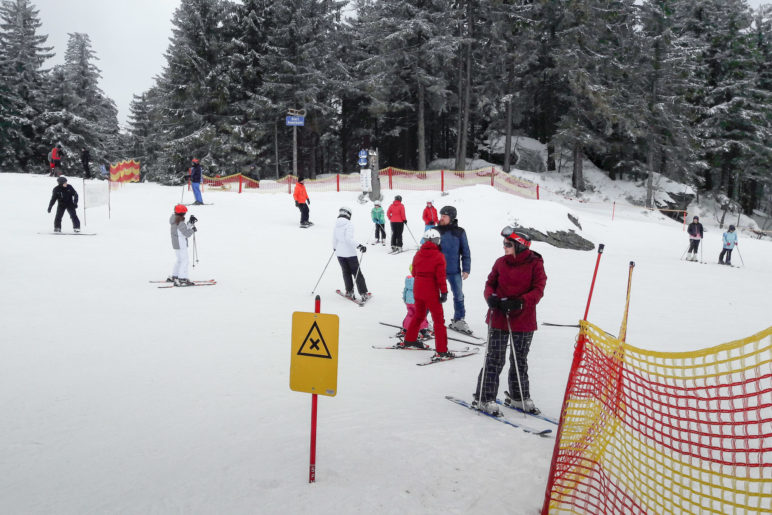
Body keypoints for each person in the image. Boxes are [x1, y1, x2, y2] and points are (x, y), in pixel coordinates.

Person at [473, 227, 547, 416]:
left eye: (508, 244)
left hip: (523, 319)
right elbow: (489, 284)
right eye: (504, 243)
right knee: (495, 358)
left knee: (519, 360)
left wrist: (520, 302)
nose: (504, 247)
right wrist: (491, 298)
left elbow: (538, 289)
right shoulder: (500, 262)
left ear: (520, 246)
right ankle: (485, 397)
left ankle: (519, 396)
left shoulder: (535, 263)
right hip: (499, 317)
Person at [402, 228, 451, 360]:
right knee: (439, 321)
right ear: (437, 241)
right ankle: (442, 350)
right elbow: (441, 277)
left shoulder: (418, 254)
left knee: (419, 315)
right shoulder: (439, 256)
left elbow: (414, 273)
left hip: (418, 289)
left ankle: (410, 339)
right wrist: (444, 292)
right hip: (431, 291)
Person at [436, 205, 472, 334]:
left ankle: (459, 320)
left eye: (444, 216)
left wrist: (466, 269)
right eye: (441, 216)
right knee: (431, 295)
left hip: (454, 270)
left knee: (459, 295)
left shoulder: (460, 232)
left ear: (451, 218)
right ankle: (422, 320)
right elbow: (426, 250)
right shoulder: (435, 231)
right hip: (436, 271)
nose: (441, 218)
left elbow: (465, 251)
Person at [332, 206, 370, 301]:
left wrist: (335, 248)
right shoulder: (348, 224)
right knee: (357, 273)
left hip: (340, 253)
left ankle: (349, 291)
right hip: (349, 253)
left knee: (346, 272)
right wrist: (359, 246)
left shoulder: (336, 224)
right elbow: (348, 239)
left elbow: (334, 239)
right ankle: (363, 293)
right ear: (348, 214)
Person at [400, 264, 432, 339]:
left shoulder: (408, 280)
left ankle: (405, 329)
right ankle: (423, 331)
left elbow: (405, 291)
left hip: (409, 303)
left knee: (410, 315)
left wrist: (405, 300)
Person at [168, 204, 197, 286]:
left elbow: (182, 230)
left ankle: (175, 276)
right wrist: (192, 230)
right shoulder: (180, 222)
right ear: (182, 213)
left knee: (180, 260)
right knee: (185, 261)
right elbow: (186, 234)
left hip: (176, 244)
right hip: (181, 244)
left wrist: (190, 223)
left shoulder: (175, 220)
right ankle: (182, 278)